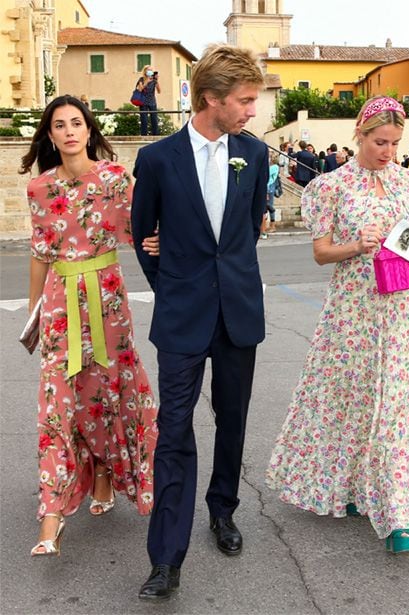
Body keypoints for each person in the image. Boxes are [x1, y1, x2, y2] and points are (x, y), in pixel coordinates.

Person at [266, 96, 409, 555]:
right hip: (352, 309)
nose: (388, 151)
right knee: (352, 399)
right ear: (359, 136)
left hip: (401, 307)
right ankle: (348, 486)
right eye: (379, 142)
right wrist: (355, 246)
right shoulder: (330, 186)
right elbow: (321, 253)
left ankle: (399, 510)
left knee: (397, 404)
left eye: (395, 144)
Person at [131, 44, 268, 601]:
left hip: (238, 313)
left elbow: (249, 231)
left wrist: (218, 277)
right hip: (183, 317)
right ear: (211, 98)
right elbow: (144, 238)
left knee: (232, 422)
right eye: (245, 101)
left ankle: (223, 511)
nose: (251, 111)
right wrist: (177, 284)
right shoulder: (158, 159)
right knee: (174, 432)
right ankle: (166, 556)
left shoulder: (253, 155)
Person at [19, 95, 159, 557]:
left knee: (108, 391)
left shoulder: (116, 179)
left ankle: (103, 475)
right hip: (61, 304)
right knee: (58, 400)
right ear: (51, 135)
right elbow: (40, 253)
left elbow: (145, 226)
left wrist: (162, 243)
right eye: (59, 125)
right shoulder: (39, 189)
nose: (69, 131)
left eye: (76, 122)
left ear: (89, 129)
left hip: (108, 300)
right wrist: (34, 309)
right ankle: (52, 517)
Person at [135, 65, 160, 137]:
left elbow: (159, 91)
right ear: (145, 71)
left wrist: (157, 81)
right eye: (148, 70)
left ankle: (155, 136)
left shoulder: (154, 80)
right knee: (144, 120)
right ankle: (144, 136)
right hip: (143, 102)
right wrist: (146, 82)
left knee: (154, 120)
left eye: (151, 70)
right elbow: (140, 89)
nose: (149, 71)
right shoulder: (141, 79)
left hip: (152, 101)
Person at [262, 151, 280, 239]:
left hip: (269, 188)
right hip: (268, 188)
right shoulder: (273, 166)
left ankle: (272, 225)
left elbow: (266, 176)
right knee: (267, 207)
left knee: (269, 206)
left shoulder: (274, 167)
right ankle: (269, 226)